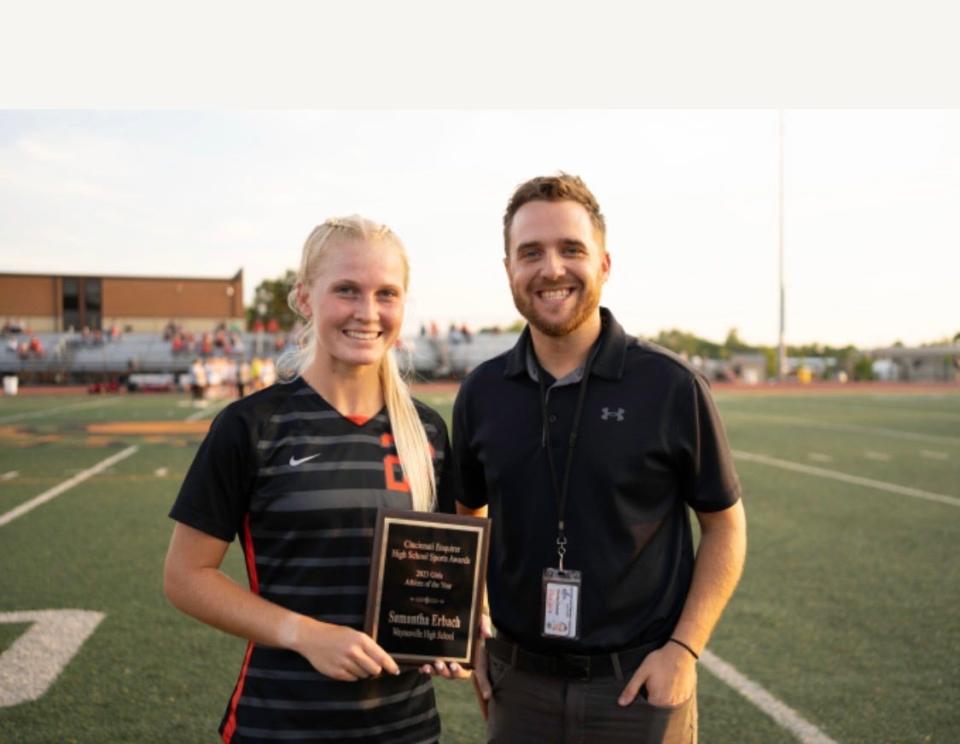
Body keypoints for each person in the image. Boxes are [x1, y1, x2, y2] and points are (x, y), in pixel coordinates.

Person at [451, 174, 747, 743]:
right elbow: (467, 518)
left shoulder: (670, 385)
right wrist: (473, 633)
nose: (551, 268)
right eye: (530, 252)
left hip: (637, 687)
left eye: (571, 249)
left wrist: (684, 650)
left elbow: (725, 527)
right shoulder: (482, 392)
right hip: (520, 687)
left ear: (605, 264)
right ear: (508, 268)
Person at [164, 216, 457, 743]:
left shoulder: (428, 431)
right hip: (280, 721)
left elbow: (440, 569)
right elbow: (186, 577)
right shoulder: (250, 426)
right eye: (347, 290)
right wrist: (304, 635)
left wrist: (449, 631)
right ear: (304, 297)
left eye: (386, 294)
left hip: (406, 726)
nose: (367, 312)